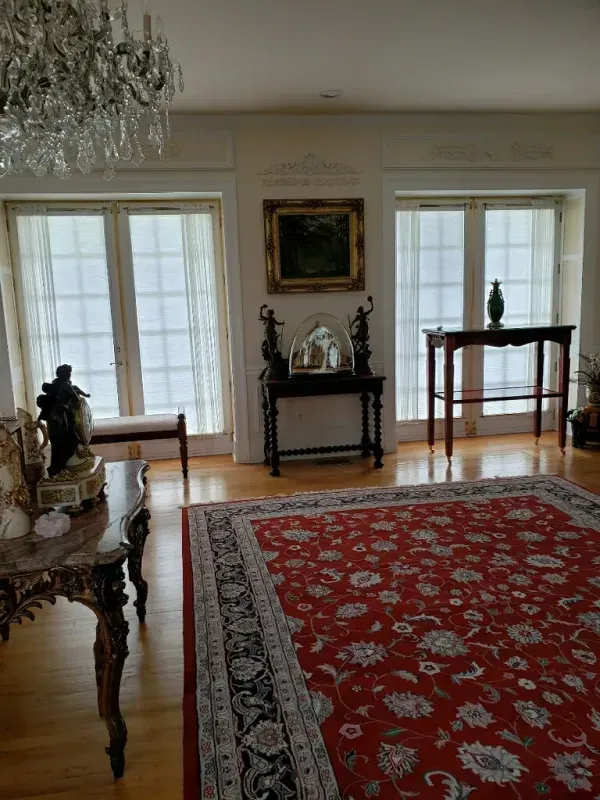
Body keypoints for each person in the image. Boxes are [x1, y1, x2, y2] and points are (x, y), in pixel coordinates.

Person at [36, 365, 90, 476]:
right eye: (67, 373)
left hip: (54, 416)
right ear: (62, 374)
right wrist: (81, 397)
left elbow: (74, 390)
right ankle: (63, 467)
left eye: (69, 373)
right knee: (68, 440)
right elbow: (75, 397)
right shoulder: (65, 385)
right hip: (61, 415)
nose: (69, 375)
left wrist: (82, 393)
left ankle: (57, 467)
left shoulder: (56, 383)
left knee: (58, 442)